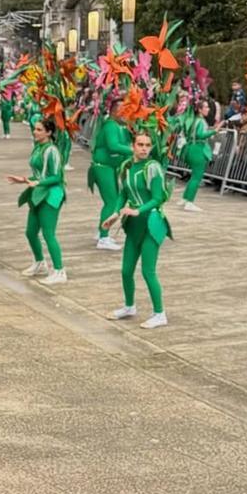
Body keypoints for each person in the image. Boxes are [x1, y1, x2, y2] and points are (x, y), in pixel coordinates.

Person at [103, 131, 171, 329]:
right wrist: (115, 214)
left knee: (148, 271)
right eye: (140, 144)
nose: (144, 148)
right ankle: (129, 306)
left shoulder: (153, 167)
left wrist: (137, 210)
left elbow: (158, 198)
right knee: (126, 271)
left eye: (147, 145)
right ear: (132, 146)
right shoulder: (126, 166)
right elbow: (123, 194)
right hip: (133, 225)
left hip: (151, 224)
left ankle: (160, 314)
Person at [8, 118, 67, 284]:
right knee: (30, 232)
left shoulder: (52, 150)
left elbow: (57, 177)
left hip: (51, 195)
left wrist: (39, 183)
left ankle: (59, 271)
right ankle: (40, 263)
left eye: (39, 129)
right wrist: (24, 180)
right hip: (38, 193)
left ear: (49, 132)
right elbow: (39, 174)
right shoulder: (38, 147)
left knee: (48, 233)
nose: (35, 131)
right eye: (35, 129)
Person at [88, 104, 130, 250]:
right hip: (103, 167)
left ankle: (102, 231)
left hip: (108, 167)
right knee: (112, 202)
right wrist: (133, 150)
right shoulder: (111, 125)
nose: (126, 113)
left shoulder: (117, 126)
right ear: (114, 112)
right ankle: (103, 237)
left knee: (114, 201)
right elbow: (113, 146)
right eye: (123, 110)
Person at [178, 99, 218, 212]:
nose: (208, 109)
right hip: (198, 150)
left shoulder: (193, 120)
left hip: (190, 148)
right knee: (197, 177)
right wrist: (214, 131)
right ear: (200, 110)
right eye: (206, 107)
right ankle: (189, 202)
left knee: (193, 176)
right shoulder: (201, 121)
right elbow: (201, 135)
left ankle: (185, 198)